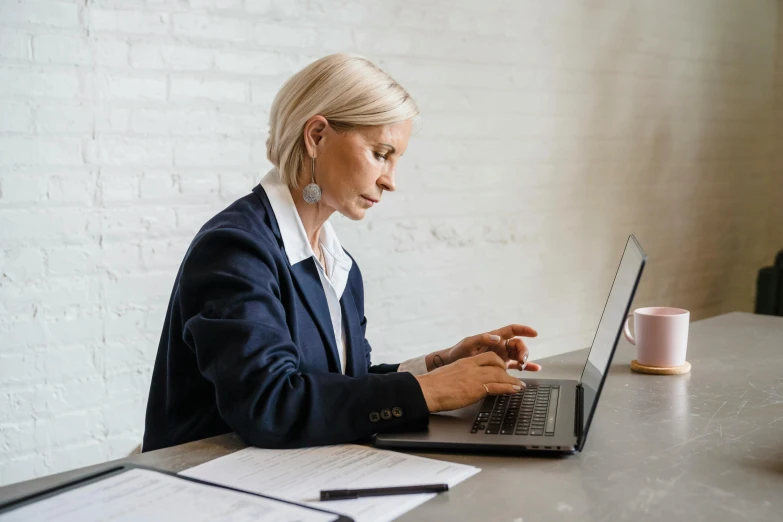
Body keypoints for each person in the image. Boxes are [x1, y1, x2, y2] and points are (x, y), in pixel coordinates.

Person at [142, 53, 542, 452]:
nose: (391, 181)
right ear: (316, 136)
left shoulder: (338, 264)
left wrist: (438, 366)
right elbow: (271, 405)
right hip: (210, 490)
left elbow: (339, 385)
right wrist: (428, 392)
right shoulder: (235, 249)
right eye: (381, 154)